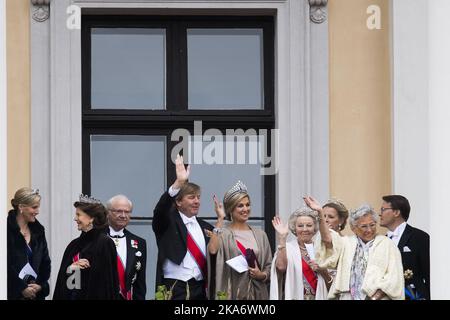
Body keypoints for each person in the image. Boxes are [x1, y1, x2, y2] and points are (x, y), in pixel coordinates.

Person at [304, 196, 404, 300]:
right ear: (353, 228)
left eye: (372, 225)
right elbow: (328, 240)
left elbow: (394, 278)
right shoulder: (346, 243)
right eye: (364, 226)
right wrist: (320, 212)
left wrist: (374, 298)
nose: (369, 230)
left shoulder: (387, 244)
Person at [152, 154, 216, 300]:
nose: (197, 201)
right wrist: (178, 184)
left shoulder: (206, 227)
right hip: (173, 288)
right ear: (178, 202)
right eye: (191, 197)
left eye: (198, 197)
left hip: (200, 289)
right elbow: (160, 211)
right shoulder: (167, 222)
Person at [208, 180, 272, 300]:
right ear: (231, 209)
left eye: (247, 205)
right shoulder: (223, 234)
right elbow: (212, 250)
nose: (245, 209)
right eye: (240, 205)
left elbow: (269, 266)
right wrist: (220, 219)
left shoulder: (260, 235)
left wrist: (261, 275)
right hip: (232, 293)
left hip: (257, 294)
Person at [53, 195, 120, 300]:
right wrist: (71, 269)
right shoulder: (73, 246)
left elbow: (107, 284)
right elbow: (71, 286)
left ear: (91, 218)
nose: (75, 218)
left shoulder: (105, 243)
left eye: (78, 214)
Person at [270, 209, 330, 300]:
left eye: (309, 225)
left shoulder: (322, 250)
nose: (305, 229)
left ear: (315, 228)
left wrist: (322, 270)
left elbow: (332, 283)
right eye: (300, 226)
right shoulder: (287, 248)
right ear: (295, 228)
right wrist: (282, 238)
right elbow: (281, 268)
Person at [379, 195, 430, 300]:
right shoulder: (382, 241)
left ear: (396, 213)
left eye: (383, 209)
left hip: (413, 295)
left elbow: (428, 273)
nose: (380, 213)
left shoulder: (419, 237)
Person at [7, 188, 51, 300]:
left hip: (35, 296)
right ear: (21, 207)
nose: (37, 211)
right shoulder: (5, 230)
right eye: (34, 207)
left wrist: (40, 285)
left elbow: (45, 263)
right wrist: (20, 288)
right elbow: (4, 265)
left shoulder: (39, 232)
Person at [106, 194, 147, 300]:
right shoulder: (96, 238)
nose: (123, 215)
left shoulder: (140, 243)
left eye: (127, 212)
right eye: (118, 211)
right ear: (108, 213)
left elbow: (140, 282)